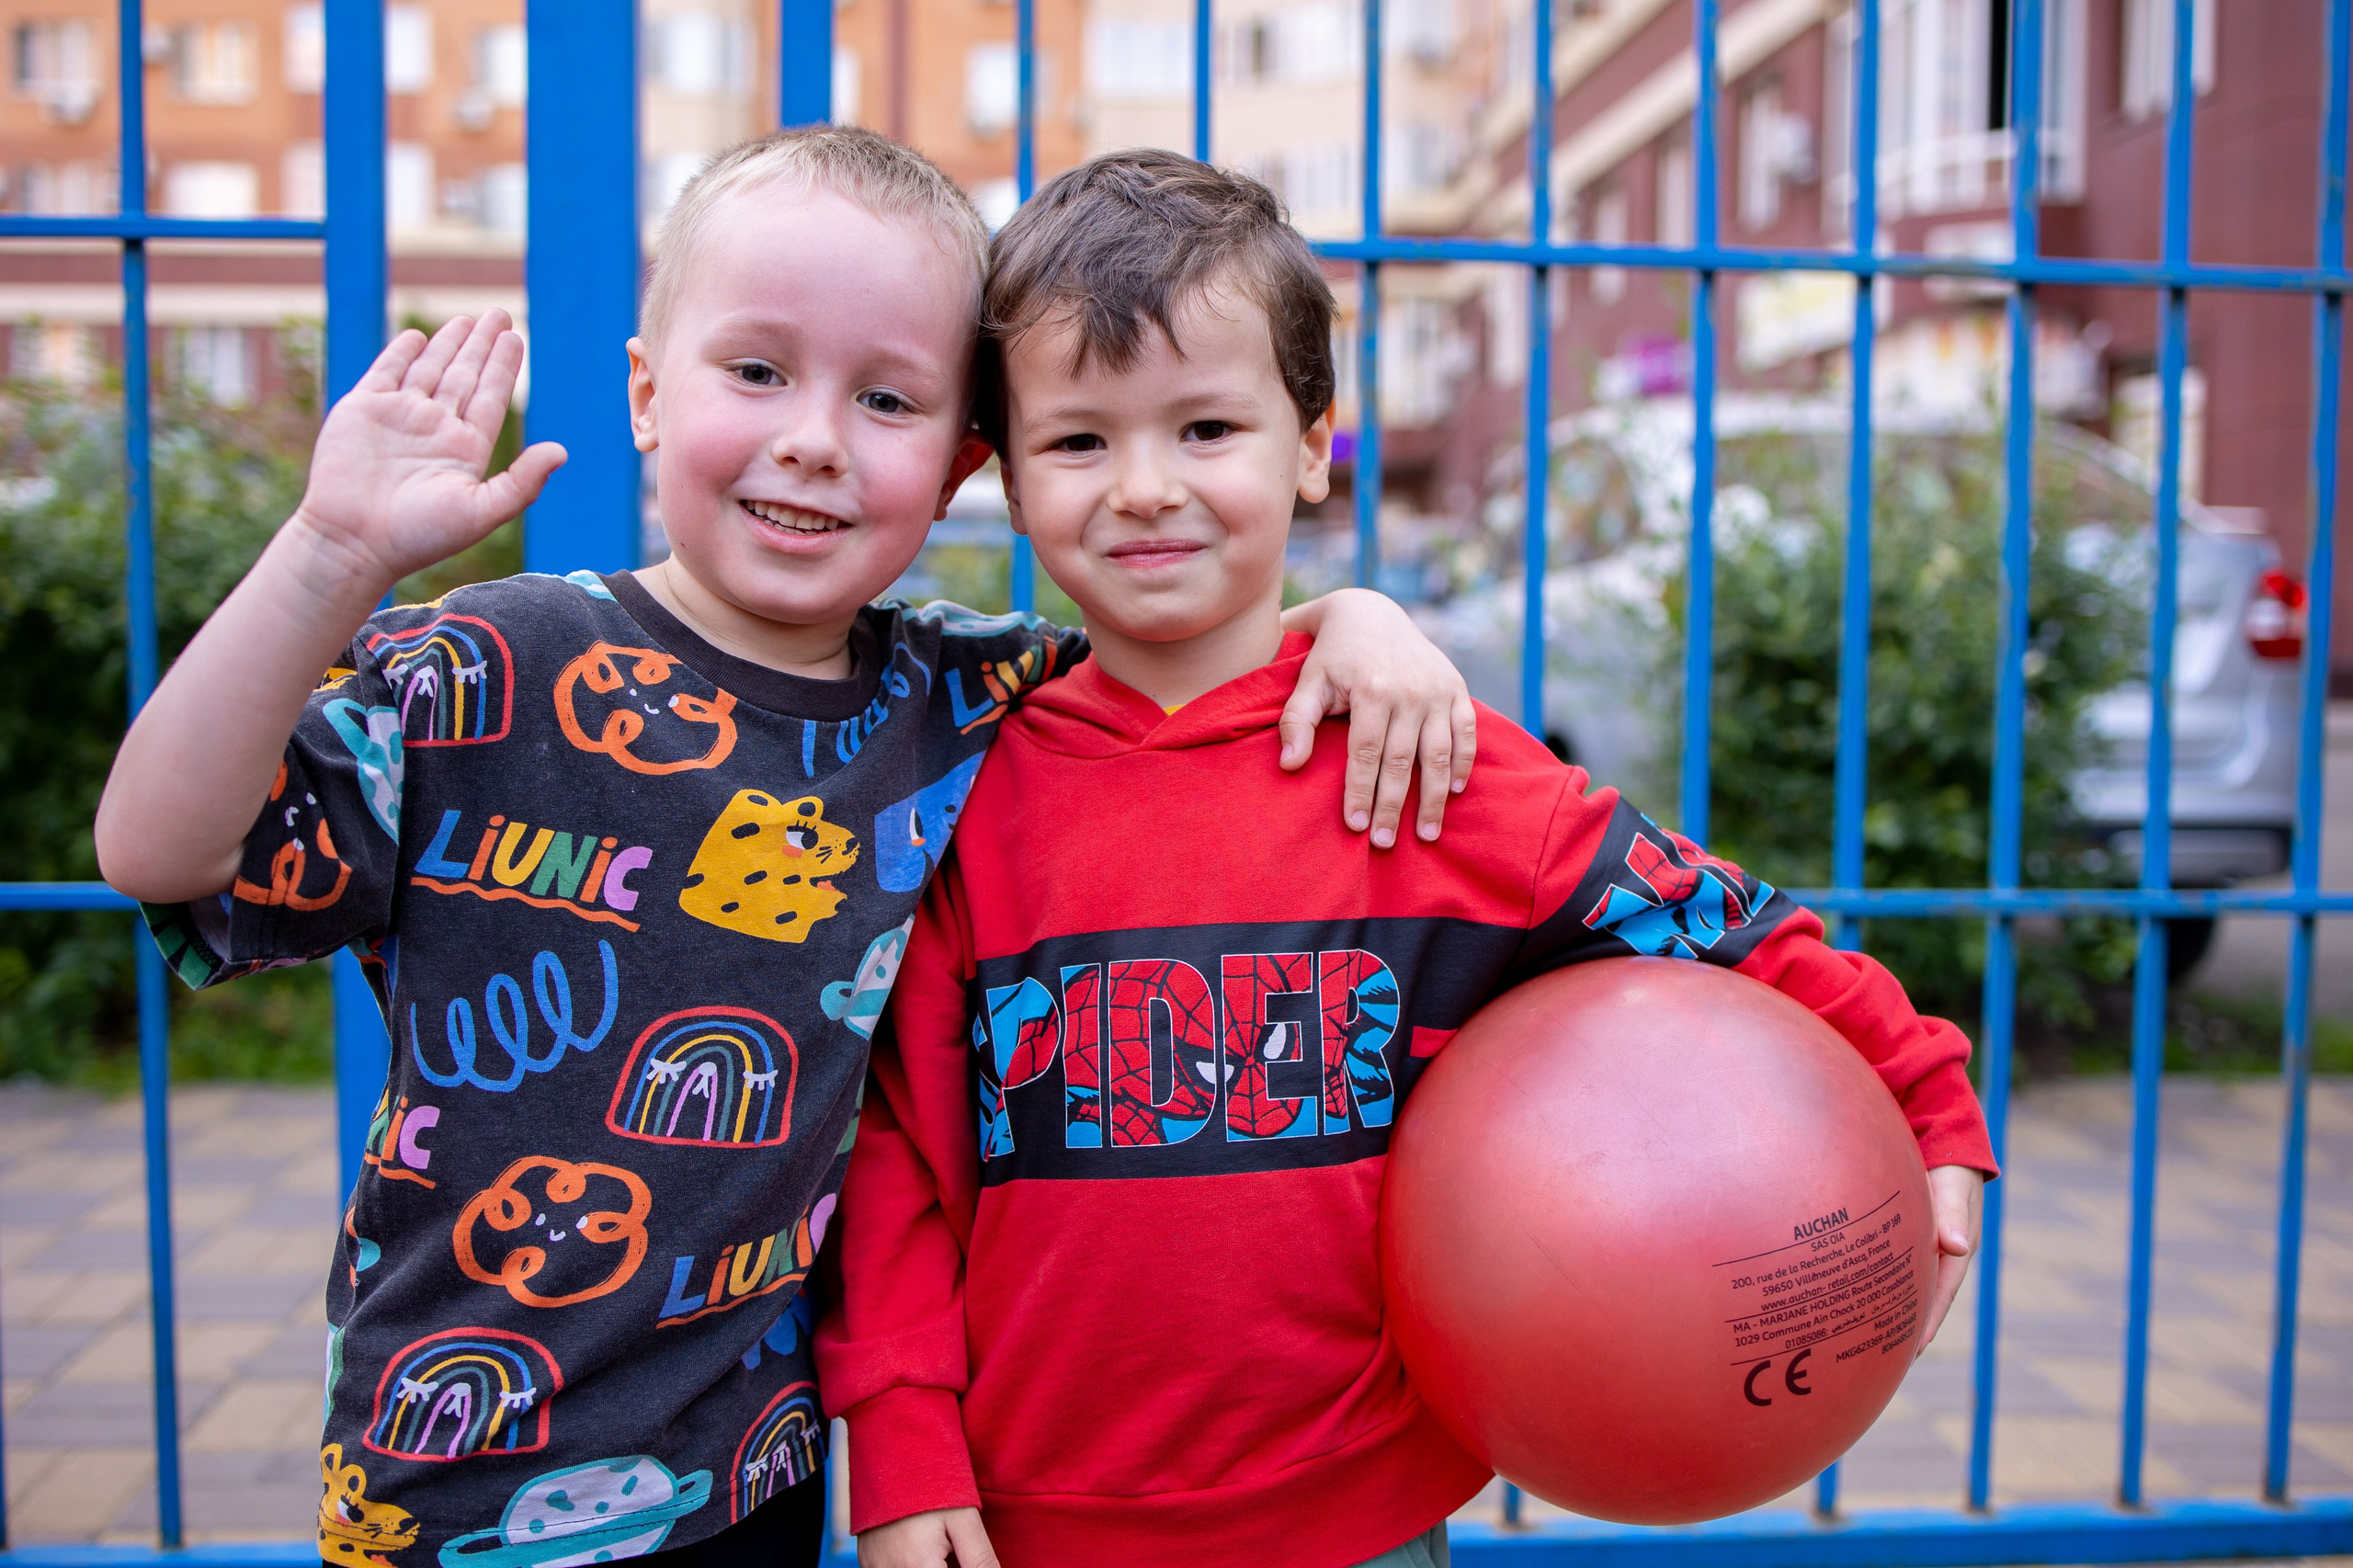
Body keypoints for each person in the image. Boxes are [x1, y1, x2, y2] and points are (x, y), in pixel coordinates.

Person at [90, 128, 1480, 1568]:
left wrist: (1357, 621)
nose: (812, 434)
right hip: (447, 1480)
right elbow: (160, 849)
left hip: (750, 1472)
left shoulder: (959, 693)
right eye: (756, 372)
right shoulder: (487, 664)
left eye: (886, 397)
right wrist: (329, 555)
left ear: (958, 469)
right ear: (645, 390)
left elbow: (1197, 660)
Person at [815, 150, 2000, 1568]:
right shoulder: (966, 783)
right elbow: (899, 1156)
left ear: (1313, 441)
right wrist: (898, 1442)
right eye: (1079, 442)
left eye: (1206, 428)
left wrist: (1928, 1097)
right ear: (1005, 476)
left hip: (1362, 1513)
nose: (1142, 488)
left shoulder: (1427, 759)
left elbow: (1724, 923)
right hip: (1026, 1520)